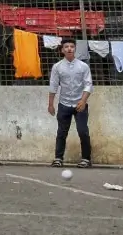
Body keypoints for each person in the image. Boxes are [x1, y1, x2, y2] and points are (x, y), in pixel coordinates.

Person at [48, 38, 93, 168]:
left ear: (75, 49)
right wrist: (50, 104)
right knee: (61, 132)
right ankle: (58, 158)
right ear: (62, 50)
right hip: (64, 104)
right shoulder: (57, 67)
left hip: (80, 104)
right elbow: (53, 86)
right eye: (66, 46)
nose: (69, 49)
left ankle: (86, 159)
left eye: (72, 46)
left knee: (83, 131)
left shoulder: (83, 66)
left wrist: (83, 101)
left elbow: (88, 85)